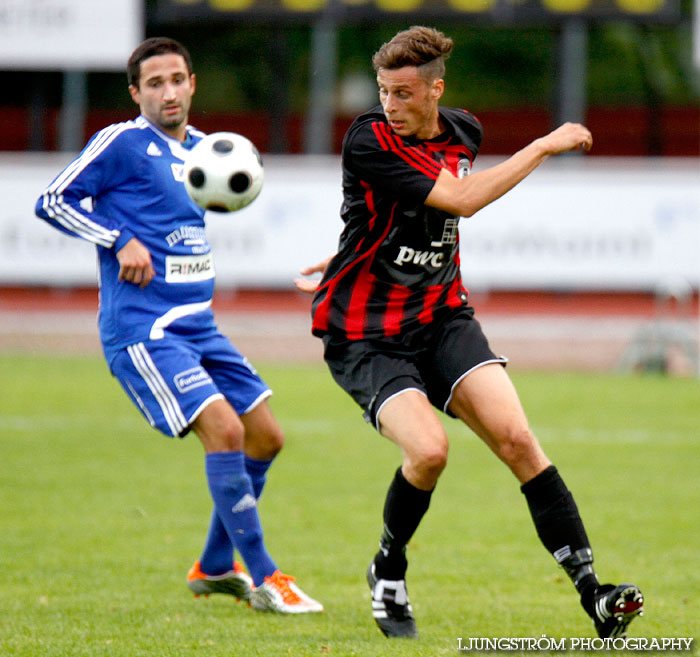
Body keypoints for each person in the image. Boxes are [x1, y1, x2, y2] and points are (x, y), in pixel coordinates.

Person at [295, 26, 642, 638]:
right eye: (383, 92)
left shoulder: (464, 131)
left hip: (441, 317)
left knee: (516, 439)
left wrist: (350, 252)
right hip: (366, 332)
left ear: (435, 91)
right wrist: (542, 146)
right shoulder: (367, 139)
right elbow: (459, 201)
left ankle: (594, 593)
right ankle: (388, 567)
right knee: (429, 452)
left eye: (404, 94)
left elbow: (407, 218)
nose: (391, 106)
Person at [35, 36, 322, 615]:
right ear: (137, 92)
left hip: (199, 324)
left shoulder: (204, 152)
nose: (168, 92)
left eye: (177, 79)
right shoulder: (121, 142)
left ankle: (214, 565)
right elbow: (53, 199)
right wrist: (119, 239)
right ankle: (266, 578)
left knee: (266, 435)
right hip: (145, 329)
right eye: (155, 83)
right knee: (227, 432)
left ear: (192, 84)